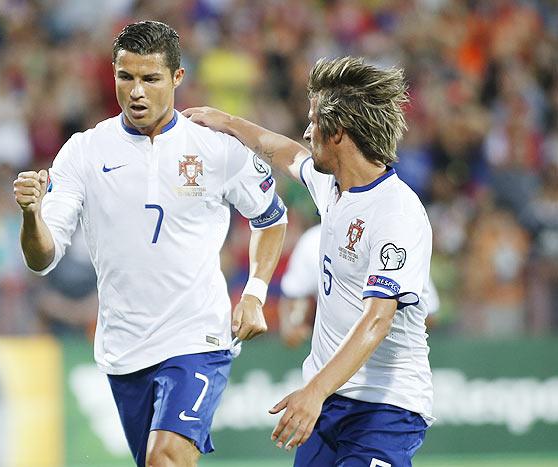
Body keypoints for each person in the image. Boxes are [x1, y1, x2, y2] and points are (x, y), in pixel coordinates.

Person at [13, 21, 287, 467]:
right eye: (126, 77)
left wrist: (254, 292)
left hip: (198, 337)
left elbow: (271, 219)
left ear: (177, 78)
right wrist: (30, 215)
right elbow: (42, 258)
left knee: (166, 459)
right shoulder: (85, 152)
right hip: (124, 348)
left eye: (150, 78)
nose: (136, 92)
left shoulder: (214, 147)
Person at [184, 56, 434, 466]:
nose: (306, 130)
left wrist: (313, 391)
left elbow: (377, 319)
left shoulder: (395, 212)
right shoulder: (331, 185)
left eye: (313, 120)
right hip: (329, 405)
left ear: (337, 133)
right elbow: (283, 150)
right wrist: (227, 121)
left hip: (385, 409)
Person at [279, 223, 441, 348]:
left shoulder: (397, 239)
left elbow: (429, 313)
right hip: (333, 350)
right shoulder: (315, 239)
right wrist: (291, 325)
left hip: (389, 358)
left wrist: (383, 332)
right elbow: (292, 293)